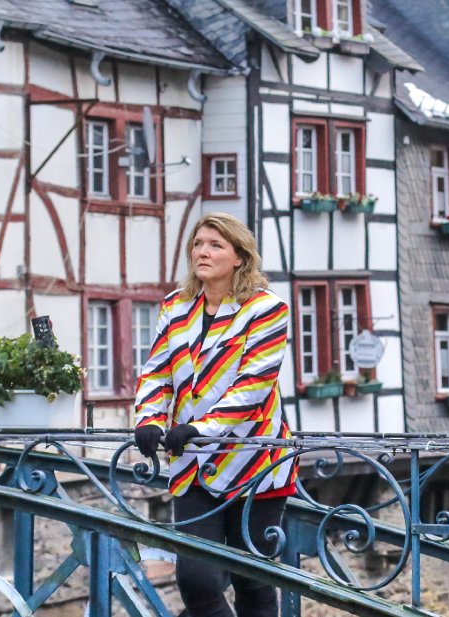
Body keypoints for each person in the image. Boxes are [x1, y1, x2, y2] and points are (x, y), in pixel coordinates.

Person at [132, 212, 296, 617]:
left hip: (254, 459)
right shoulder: (176, 305)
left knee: (252, 578)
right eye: (198, 243)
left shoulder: (266, 309)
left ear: (239, 257)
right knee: (196, 577)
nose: (202, 252)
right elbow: (157, 370)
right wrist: (150, 418)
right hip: (192, 461)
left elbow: (253, 385)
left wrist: (201, 428)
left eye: (215, 245)